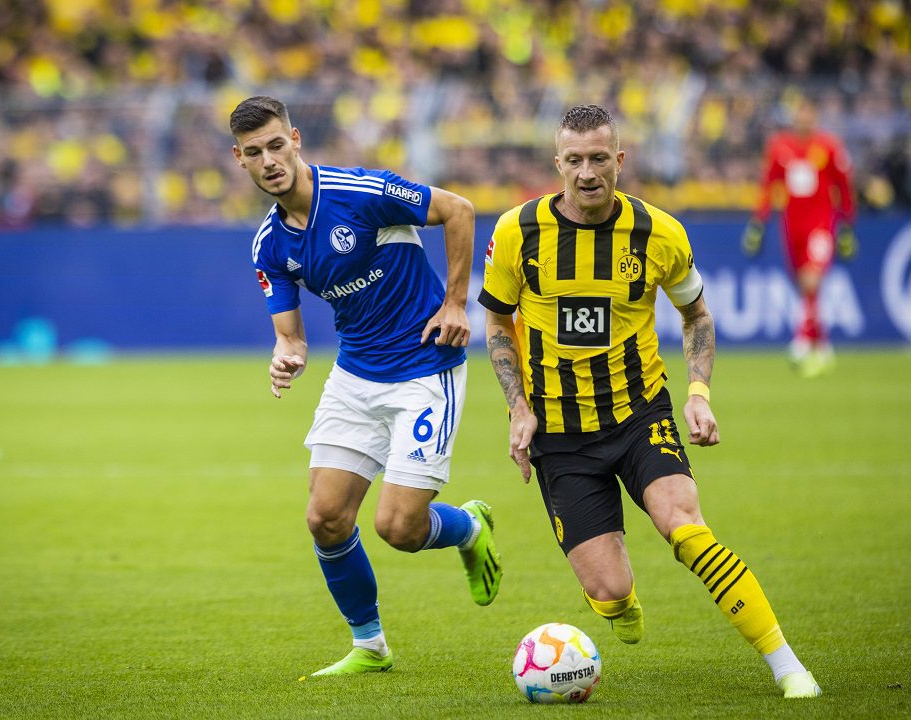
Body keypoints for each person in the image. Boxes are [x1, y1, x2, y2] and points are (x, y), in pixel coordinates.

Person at [479, 104, 821, 699]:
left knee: (684, 525)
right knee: (608, 590)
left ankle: (787, 665)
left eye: (599, 158)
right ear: (558, 164)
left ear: (620, 159)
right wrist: (519, 408)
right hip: (560, 432)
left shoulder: (659, 233)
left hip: (640, 414)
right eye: (575, 160)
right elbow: (497, 324)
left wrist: (698, 394)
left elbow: (697, 316)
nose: (588, 173)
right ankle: (622, 604)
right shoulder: (516, 232)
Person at [229, 96, 501, 677]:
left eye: (276, 145)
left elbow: (457, 209)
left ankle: (469, 527)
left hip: (425, 369)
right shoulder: (269, 245)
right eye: (255, 152)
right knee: (325, 517)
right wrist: (286, 357)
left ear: (295, 140)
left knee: (398, 528)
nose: (269, 160)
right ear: (240, 159)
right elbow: (291, 337)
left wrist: (456, 303)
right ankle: (370, 645)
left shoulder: (360, 191)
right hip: (355, 376)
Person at [741, 95, 856, 377]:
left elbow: (844, 186)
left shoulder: (829, 147)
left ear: (814, 117)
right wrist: (758, 222)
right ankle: (823, 346)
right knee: (804, 286)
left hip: (821, 224)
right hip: (791, 226)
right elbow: (768, 186)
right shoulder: (780, 147)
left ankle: (802, 341)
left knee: (811, 279)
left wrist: (847, 225)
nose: (804, 119)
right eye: (799, 114)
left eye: (808, 114)